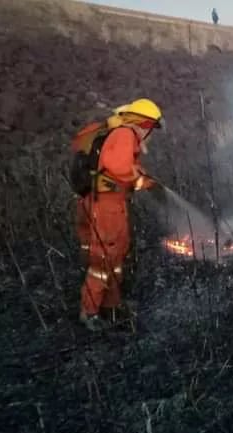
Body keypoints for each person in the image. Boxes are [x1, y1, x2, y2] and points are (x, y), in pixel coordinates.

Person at [74, 98, 164, 331]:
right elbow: (118, 167)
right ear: (145, 124)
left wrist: (144, 176)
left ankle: (111, 305)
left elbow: (121, 166)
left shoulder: (119, 135)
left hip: (104, 203)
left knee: (113, 258)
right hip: (107, 206)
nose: (151, 135)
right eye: (152, 129)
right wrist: (141, 181)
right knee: (104, 258)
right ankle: (90, 313)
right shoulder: (125, 135)